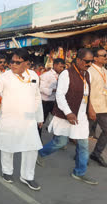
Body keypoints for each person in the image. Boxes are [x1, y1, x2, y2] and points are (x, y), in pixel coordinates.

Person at [38, 48, 98, 185]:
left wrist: (90, 108)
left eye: (91, 62)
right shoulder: (66, 73)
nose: (89, 64)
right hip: (67, 114)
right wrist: (68, 112)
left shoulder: (87, 74)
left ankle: (79, 172)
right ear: (78, 60)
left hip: (81, 115)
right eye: (87, 61)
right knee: (60, 142)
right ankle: (40, 154)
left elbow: (87, 94)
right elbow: (59, 95)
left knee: (83, 144)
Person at [0, 49, 43, 191]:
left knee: (32, 148)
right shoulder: (5, 77)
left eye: (17, 62)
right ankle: (7, 171)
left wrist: (38, 116)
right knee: (8, 146)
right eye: (11, 61)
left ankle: (27, 176)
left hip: (28, 119)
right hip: (10, 118)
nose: (12, 65)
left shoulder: (34, 76)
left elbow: (37, 97)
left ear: (27, 63)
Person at [87, 47, 107, 167]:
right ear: (95, 58)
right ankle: (81, 153)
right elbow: (86, 91)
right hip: (93, 106)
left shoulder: (105, 71)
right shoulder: (90, 71)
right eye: (103, 55)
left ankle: (96, 153)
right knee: (84, 132)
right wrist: (90, 108)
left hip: (104, 106)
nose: (105, 57)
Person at [38, 58, 66, 137]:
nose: (62, 69)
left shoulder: (62, 75)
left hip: (55, 101)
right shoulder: (46, 75)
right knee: (41, 121)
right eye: (60, 67)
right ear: (55, 65)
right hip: (45, 101)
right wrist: (53, 90)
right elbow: (41, 88)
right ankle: (38, 139)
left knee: (58, 121)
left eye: (63, 67)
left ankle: (58, 139)